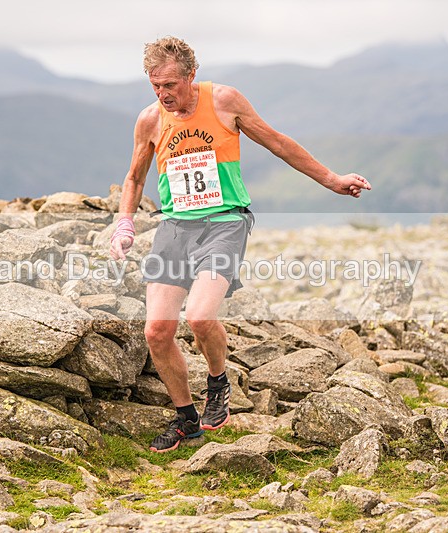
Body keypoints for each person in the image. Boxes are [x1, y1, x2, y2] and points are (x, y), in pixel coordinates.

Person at [109, 36, 371, 453]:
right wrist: (124, 222)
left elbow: (278, 142)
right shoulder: (150, 120)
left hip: (225, 223)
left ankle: (217, 383)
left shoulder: (224, 101)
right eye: (155, 85)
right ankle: (186, 420)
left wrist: (331, 179)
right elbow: (135, 177)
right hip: (176, 226)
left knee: (198, 316)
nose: (163, 94)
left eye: (171, 85)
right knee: (157, 331)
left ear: (191, 76)